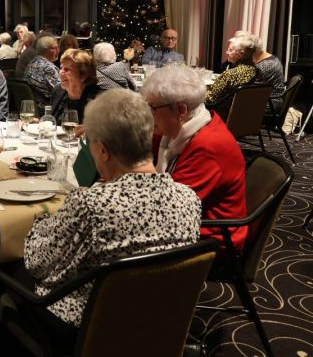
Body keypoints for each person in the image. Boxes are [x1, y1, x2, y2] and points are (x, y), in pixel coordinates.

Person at [23, 88, 201, 349]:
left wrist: (37, 224)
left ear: (103, 151)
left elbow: (36, 262)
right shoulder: (189, 198)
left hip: (90, 329)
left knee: (10, 272)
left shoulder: (91, 204)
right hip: (160, 322)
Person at [141, 66, 247, 250]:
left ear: (181, 110)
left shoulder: (207, 147)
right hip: (188, 222)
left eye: (152, 108)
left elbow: (166, 210)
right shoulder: (180, 126)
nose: (147, 114)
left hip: (213, 240)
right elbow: (139, 144)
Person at [205, 34, 264, 121]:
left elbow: (210, 100)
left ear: (241, 54)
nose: (226, 52)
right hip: (247, 118)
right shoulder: (259, 72)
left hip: (223, 117)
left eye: (230, 50)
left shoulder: (230, 74)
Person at [50, 49, 102, 122]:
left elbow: (104, 129)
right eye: (61, 68)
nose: (61, 72)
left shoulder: (99, 99)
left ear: (83, 75)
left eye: (67, 69)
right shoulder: (58, 91)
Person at [247, 32, 285, 114]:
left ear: (251, 52)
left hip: (269, 104)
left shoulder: (262, 66)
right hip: (275, 100)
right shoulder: (271, 58)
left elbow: (249, 90)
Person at [23, 35, 60, 111]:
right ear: (44, 50)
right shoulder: (48, 68)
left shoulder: (32, 62)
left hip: (33, 107)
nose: (58, 51)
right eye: (54, 48)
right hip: (47, 108)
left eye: (57, 47)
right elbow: (60, 91)